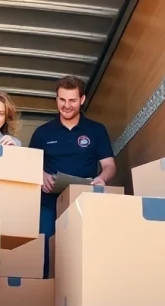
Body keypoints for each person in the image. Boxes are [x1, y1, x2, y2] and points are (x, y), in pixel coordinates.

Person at [29, 75, 115, 277]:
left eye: (72, 100)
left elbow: (109, 165)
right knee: (46, 251)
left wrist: (103, 178)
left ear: (82, 99)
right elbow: (28, 162)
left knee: (85, 250)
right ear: (56, 99)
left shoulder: (96, 130)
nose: (66, 105)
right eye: (62, 100)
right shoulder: (43, 132)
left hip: (84, 199)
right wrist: (40, 174)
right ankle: (44, 292)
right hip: (48, 202)